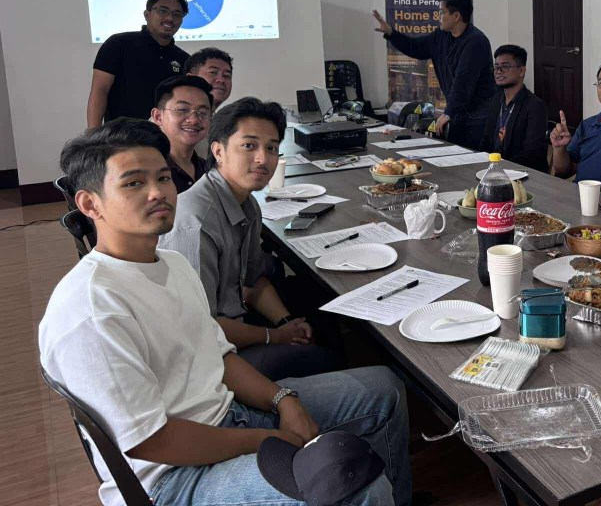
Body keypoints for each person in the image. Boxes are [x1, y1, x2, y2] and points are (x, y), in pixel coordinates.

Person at [40, 119, 411, 506]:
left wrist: (284, 400)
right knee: (355, 487)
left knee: (384, 389)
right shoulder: (93, 309)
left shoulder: (171, 264)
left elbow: (218, 354)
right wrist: (266, 439)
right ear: (90, 204)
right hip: (175, 479)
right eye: (133, 183)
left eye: (163, 178)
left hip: (229, 413)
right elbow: (152, 440)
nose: (157, 193)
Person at [159, 97, 343, 381]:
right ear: (218, 151)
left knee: (319, 305)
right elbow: (201, 327)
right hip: (207, 359)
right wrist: (276, 336)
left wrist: (286, 322)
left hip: (233, 321)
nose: (262, 159)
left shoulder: (246, 203)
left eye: (271, 148)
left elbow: (253, 279)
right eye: (249, 145)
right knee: (326, 356)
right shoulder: (195, 223)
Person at [372, 0, 495, 148]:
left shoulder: (475, 41)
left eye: (442, 12)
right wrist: (391, 33)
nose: (438, 17)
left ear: (456, 16)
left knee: (473, 157)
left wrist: (448, 113)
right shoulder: (441, 36)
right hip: (458, 113)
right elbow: (415, 47)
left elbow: (463, 82)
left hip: (478, 116)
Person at [87, 0, 191, 127]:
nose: (170, 18)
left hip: (165, 136)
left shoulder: (184, 59)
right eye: (163, 11)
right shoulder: (118, 44)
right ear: (147, 15)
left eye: (177, 14)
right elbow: (100, 90)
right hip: (121, 134)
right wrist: (92, 134)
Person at [481, 45, 548, 170]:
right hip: (492, 169)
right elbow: (486, 140)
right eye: (496, 67)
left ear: (522, 71)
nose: (498, 71)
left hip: (521, 172)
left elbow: (532, 154)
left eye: (505, 66)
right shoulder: (496, 100)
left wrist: (501, 168)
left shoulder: (535, 106)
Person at [150, 75, 212, 193]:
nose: (194, 120)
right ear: (158, 117)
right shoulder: (146, 167)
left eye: (203, 112)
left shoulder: (209, 171)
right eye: (182, 109)